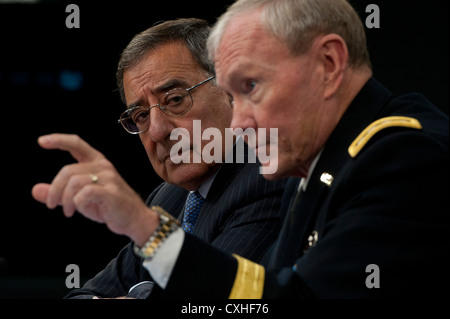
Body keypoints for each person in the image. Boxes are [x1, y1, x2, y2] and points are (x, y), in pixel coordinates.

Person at [34, 0, 449, 299]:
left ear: (328, 63)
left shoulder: (404, 158)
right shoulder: (317, 166)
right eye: (233, 94)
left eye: (250, 87)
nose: (239, 120)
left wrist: (148, 230)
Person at [32, 18, 287, 299]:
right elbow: (83, 295)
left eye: (175, 100)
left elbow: (214, 300)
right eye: (140, 115)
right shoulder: (169, 197)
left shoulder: (267, 175)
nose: (156, 130)